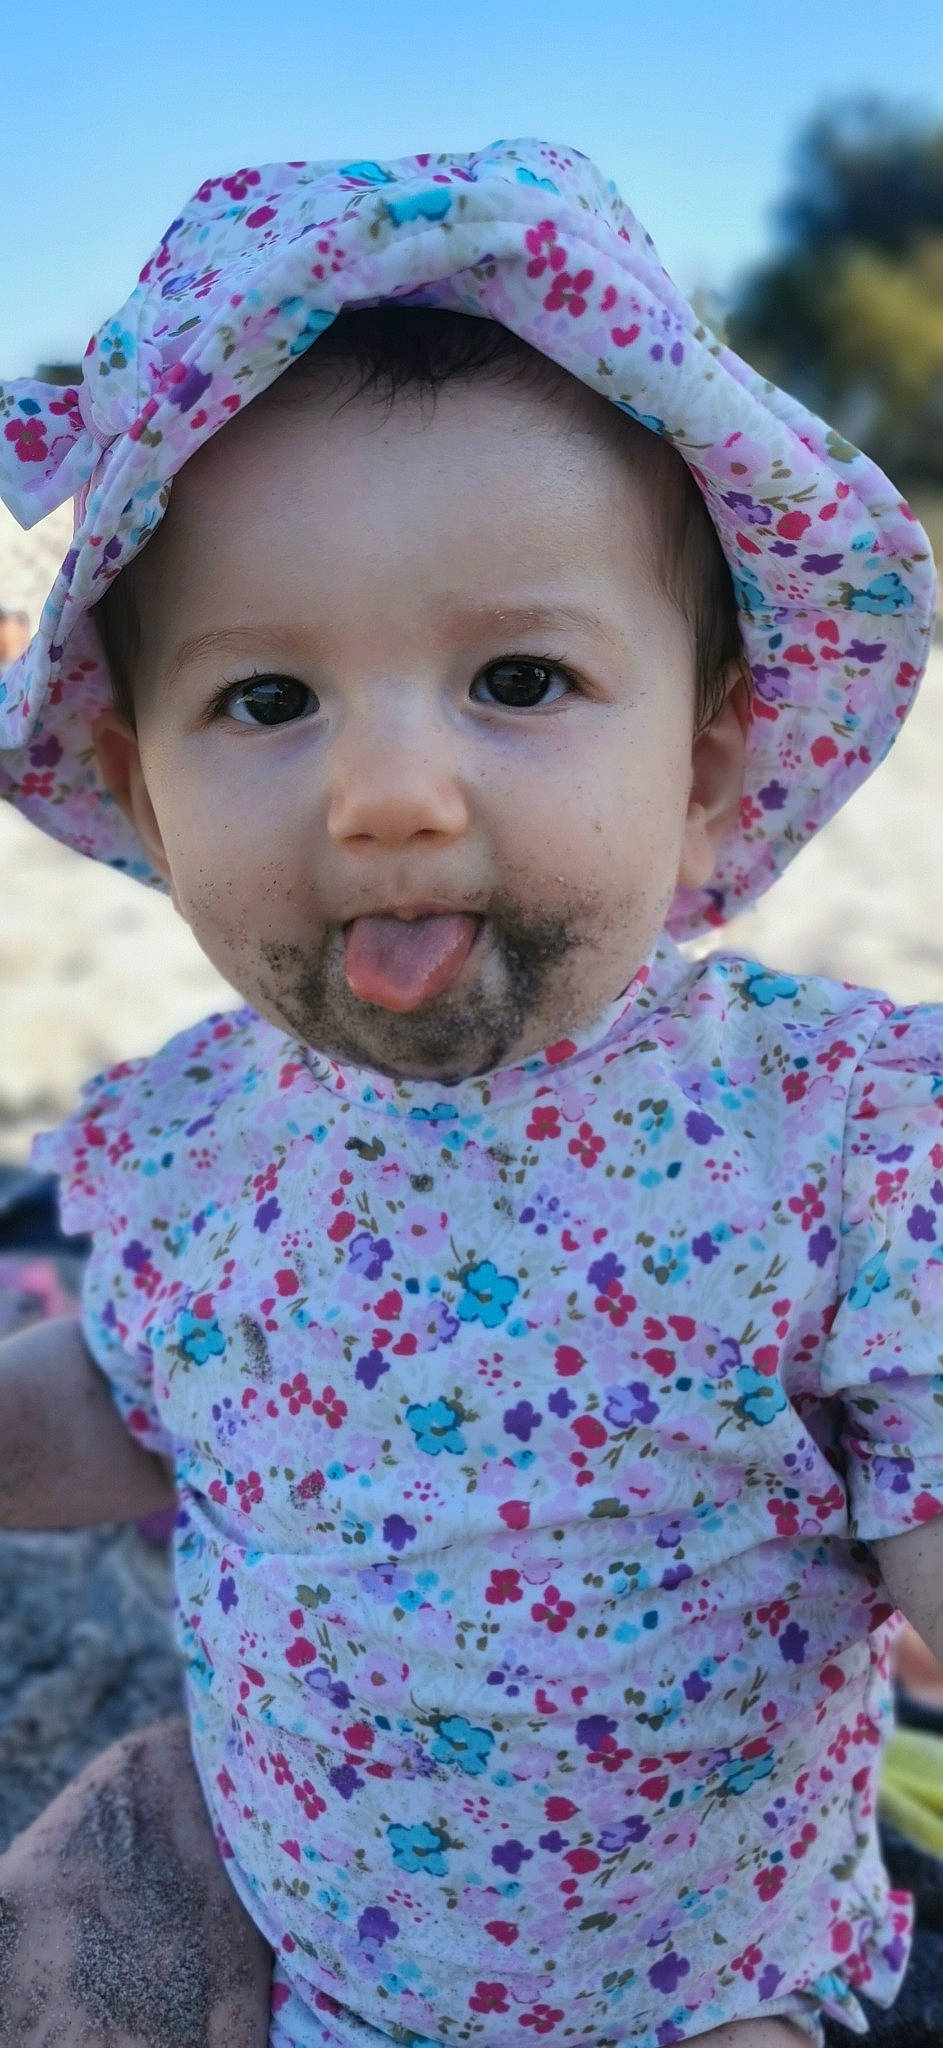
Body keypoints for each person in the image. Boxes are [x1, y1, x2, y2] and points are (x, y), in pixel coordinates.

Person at [0, 138, 939, 2048]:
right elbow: (123, 1400)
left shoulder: (825, 1141)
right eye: (268, 702)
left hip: (697, 1988)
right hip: (323, 1966)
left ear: (707, 746)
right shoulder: (192, 1143)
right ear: (140, 774)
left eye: (517, 675)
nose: (390, 794)